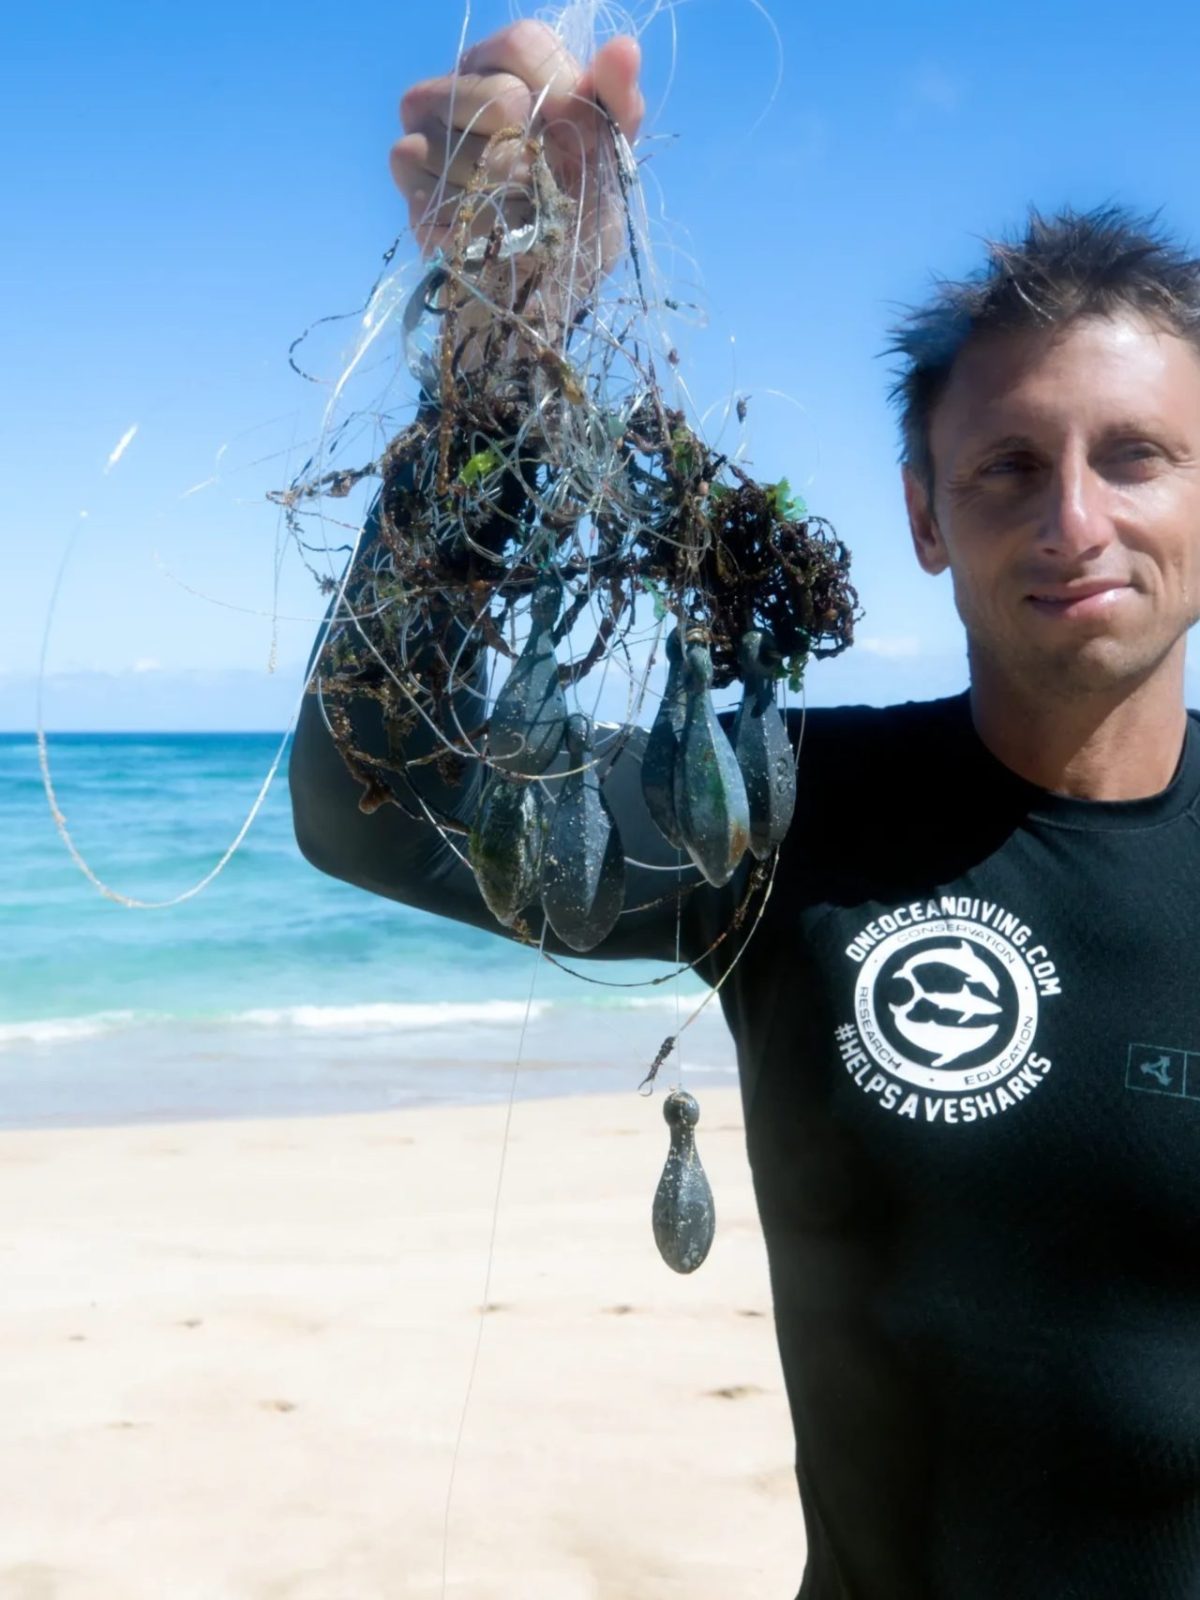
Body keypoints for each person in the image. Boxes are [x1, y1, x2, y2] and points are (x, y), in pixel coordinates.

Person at [289, 21, 1200, 1600]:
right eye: (1004, 468)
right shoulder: (783, 814)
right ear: (922, 513)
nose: (1075, 519)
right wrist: (499, 367)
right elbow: (377, 804)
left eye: (1136, 456)